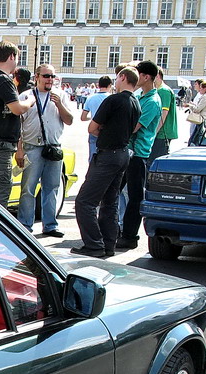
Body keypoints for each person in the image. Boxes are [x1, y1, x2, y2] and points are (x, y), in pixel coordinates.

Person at [73, 66, 141, 258]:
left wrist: (103, 132)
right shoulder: (136, 102)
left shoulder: (114, 99)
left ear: (123, 77)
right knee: (110, 202)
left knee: (84, 202)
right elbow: (133, 129)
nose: (115, 81)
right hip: (123, 153)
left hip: (108, 154)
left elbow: (92, 127)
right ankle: (108, 244)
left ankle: (94, 244)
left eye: (117, 77)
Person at [15, 63, 73, 237]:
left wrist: (60, 105)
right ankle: (25, 225)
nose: (50, 79)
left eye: (52, 76)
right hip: (32, 147)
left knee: (52, 187)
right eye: (46, 76)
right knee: (28, 188)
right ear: (37, 77)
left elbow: (69, 120)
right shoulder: (27, 96)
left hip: (53, 148)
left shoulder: (61, 95)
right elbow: (18, 126)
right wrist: (19, 149)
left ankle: (50, 225)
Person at [0, 41, 33, 209]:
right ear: (11, 56)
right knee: (2, 188)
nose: (17, 63)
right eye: (17, 58)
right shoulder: (3, 79)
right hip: (0, 143)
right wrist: (30, 101)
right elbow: (17, 109)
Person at [117, 60, 161, 251]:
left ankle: (130, 236)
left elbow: (135, 127)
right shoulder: (140, 95)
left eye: (138, 73)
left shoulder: (152, 101)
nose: (136, 77)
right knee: (116, 191)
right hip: (129, 150)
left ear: (146, 77)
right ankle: (119, 230)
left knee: (135, 196)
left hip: (138, 153)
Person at [81, 75, 112, 161]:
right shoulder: (112, 98)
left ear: (98, 85)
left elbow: (83, 117)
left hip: (94, 129)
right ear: (110, 85)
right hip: (108, 130)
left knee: (93, 157)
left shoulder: (90, 98)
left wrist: (92, 118)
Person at [149, 69, 177, 163]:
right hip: (161, 132)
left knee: (155, 160)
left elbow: (163, 113)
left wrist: (154, 132)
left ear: (157, 76)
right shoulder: (159, 90)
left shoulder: (164, 91)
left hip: (162, 132)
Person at [185, 80, 206, 145]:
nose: (200, 90)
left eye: (201, 88)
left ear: (204, 89)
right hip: (202, 119)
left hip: (201, 119)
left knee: (195, 139)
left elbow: (197, 109)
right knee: (195, 137)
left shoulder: (205, 97)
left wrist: (190, 105)